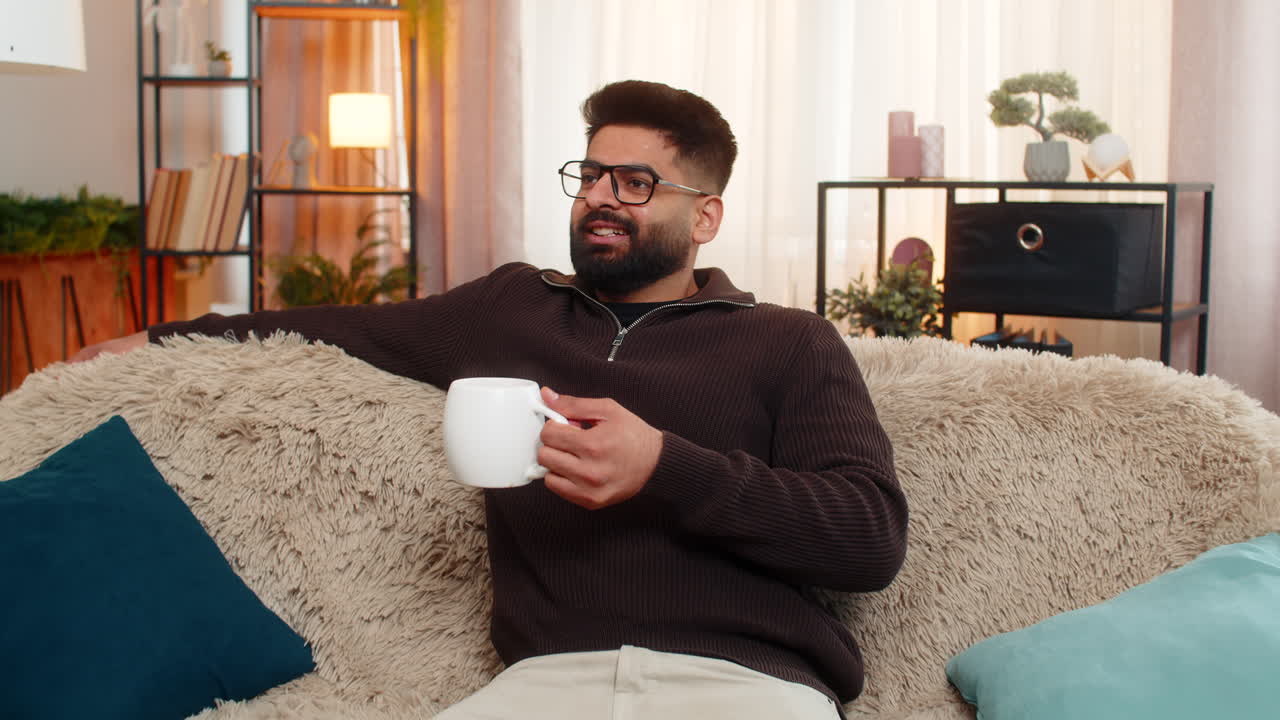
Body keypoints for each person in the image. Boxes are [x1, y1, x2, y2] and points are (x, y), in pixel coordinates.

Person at [73, 80, 908, 719]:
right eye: (590, 174)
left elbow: (869, 538)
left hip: (746, 686)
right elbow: (337, 326)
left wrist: (664, 466)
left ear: (706, 217)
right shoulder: (511, 306)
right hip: (548, 682)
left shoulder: (789, 341)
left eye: (637, 181)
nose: (601, 196)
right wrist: (158, 338)